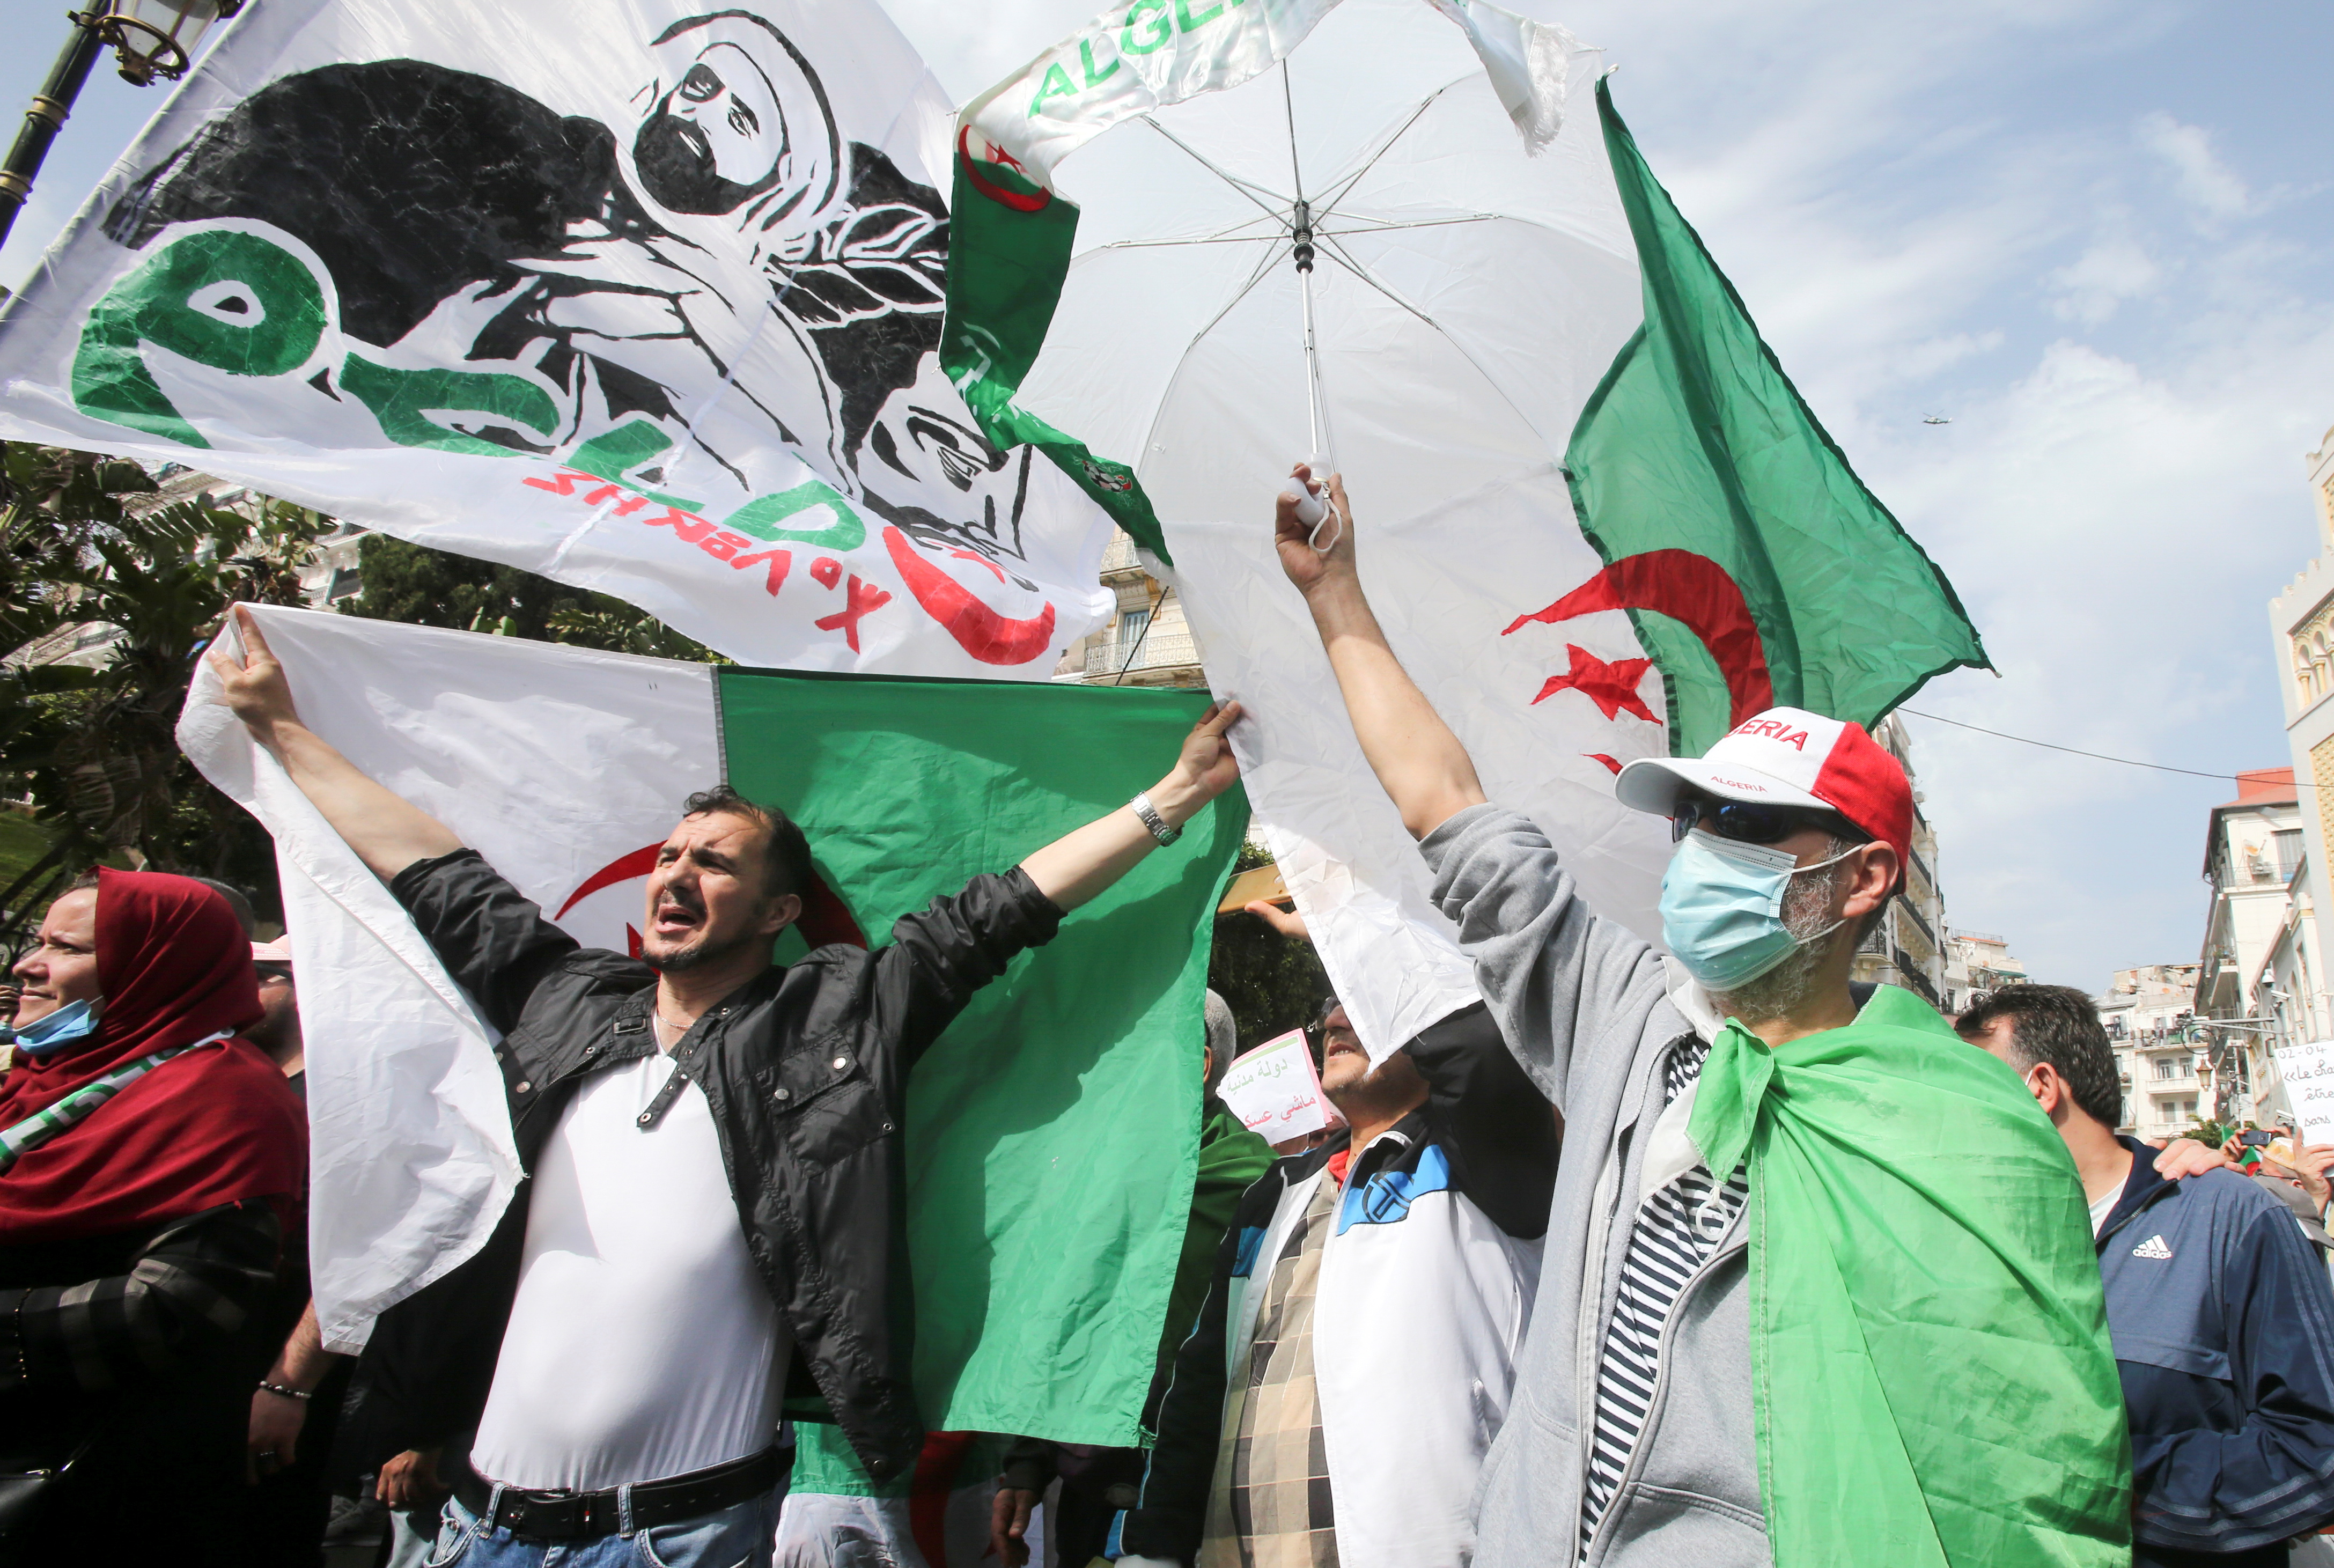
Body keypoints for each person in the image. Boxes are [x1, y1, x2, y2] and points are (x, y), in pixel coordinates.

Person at [203, 605, 1244, 1568]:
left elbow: (999, 911)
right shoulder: (563, 1001)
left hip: (682, 1538)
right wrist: (279, 730)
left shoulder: (838, 1018)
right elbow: (437, 876)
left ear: (776, 908)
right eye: (667, 856)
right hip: (482, 1531)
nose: (675, 874)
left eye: (714, 862)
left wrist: (1174, 797)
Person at [1271, 468, 2130, 1566]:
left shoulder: (1969, 1128)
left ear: (1864, 879)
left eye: (1744, 825)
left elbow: (2019, 1467)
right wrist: (1334, 596)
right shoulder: (1627, 1019)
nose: (1695, 851)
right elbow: (1448, 806)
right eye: (1689, 818)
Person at [1107, 966, 1558, 1568]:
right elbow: (1199, 1386)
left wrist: (1367, 912)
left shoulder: (1480, 1165)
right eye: (1331, 1004)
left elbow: (1482, 1046)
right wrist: (1156, 1547)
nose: (1335, 1020)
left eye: (1362, 997)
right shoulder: (1272, 1195)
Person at [1957, 984, 2334, 1565]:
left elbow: (2317, 1447)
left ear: (2039, 1087)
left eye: (1966, 1087)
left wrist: (2112, 1488)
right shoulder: (1968, 1239)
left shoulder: (2228, 1216)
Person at [0, 869, 308, 1566]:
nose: (28, 963)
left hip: (97, 1486)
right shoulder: (47, 1078)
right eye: (38, 940)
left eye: (68, 946)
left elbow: (181, 1303)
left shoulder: (227, 1101)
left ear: (154, 965)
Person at [991, 991, 1276, 1568]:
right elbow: (1060, 1315)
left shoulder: (1256, 1182)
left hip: (1194, 1482)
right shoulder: (1088, 1173)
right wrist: (1026, 1463)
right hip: (1087, 1476)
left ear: (1198, 1064)